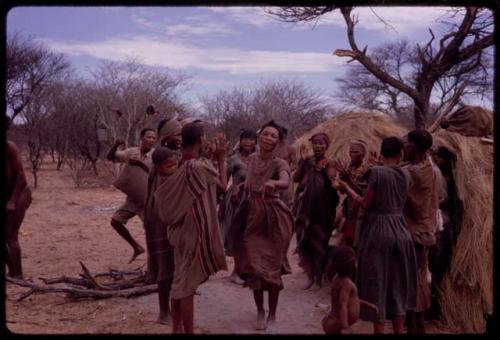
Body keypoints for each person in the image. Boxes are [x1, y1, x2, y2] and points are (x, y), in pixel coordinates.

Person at [334, 137, 417, 334]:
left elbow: (365, 203)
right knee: (398, 284)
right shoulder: (406, 174)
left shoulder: (377, 172)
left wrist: (346, 189)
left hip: (378, 231)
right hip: (402, 230)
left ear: (381, 153)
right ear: (401, 154)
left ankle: (379, 330)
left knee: (376, 283)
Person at [154, 122, 228, 334]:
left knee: (179, 281)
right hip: (193, 232)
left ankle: (176, 328)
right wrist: (221, 158)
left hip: (178, 232)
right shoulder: (198, 167)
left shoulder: (179, 165)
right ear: (201, 140)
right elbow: (223, 187)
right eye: (205, 137)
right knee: (186, 286)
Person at [231, 120, 294, 331]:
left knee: (272, 267)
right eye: (265, 134)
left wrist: (274, 183)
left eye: (273, 136)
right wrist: (240, 188)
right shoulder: (252, 158)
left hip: (273, 216)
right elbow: (249, 181)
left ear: (278, 141)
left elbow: (286, 181)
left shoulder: (280, 164)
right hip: (251, 215)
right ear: (260, 137)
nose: (268, 138)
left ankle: (273, 314)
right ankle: (260, 311)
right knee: (254, 266)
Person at [402, 129, 440, 334]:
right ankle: (414, 324)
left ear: (414, 146)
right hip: (424, 230)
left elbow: (409, 202)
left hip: (414, 233)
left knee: (413, 279)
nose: (404, 147)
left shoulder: (414, 173)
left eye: (406, 143)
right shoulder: (429, 167)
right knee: (417, 277)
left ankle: (417, 327)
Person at [293, 132, 339, 290]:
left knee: (319, 243)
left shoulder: (329, 162)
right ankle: (310, 276)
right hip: (305, 208)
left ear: (327, 146)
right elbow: (296, 179)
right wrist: (302, 162)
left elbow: (332, 180)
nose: (318, 146)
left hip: (322, 209)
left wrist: (324, 171)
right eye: (316, 143)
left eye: (321, 143)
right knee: (305, 242)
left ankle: (319, 278)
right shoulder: (307, 161)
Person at [106, 128, 157, 263]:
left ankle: (154, 264)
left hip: (148, 200)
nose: (151, 140)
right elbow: (111, 157)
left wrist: (141, 164)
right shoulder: (131, 152)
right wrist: (116, 145)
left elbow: (158, 175)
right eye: (148, 137)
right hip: (133, 199)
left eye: (153, 138)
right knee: (116, 221)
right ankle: (137, 247)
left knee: (151, 231)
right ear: (141, 138)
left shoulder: (155, 155)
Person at [143, 147, 180, 324]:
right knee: (165, 271)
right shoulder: (162, 181)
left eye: (175, 164)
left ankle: (169, 310)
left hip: (166, 228)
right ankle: (164, 312)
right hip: (161, 228)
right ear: (157, 166)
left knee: (171, 271)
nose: (173, 167)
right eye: (168, 165)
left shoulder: (165, 176)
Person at [219, 128, 257, 285]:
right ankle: (235, 271)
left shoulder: (259, 159)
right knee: (237, 235)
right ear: (240, 141)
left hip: (254, 200)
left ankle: (246, 269)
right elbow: (222, 181)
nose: (248, 142)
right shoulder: (233, 159)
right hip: (235, 201)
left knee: (251, 235)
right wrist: (221, 201)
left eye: (251, 139)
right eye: (245, 139)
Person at [322, 246, 378, 334]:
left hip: (332, 321)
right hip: (338, 323)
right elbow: (343, 305)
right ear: (352, 266)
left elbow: (351, 300)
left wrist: (368, 305)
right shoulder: (347, 284)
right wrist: (345, 327)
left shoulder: (337, 279)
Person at [6, 139, 32, 278]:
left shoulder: (10, 147)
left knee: (10, 235)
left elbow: (21, 175)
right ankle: (12, 271)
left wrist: (12, 200)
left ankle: (19, 275)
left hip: (20, 192)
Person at [337, 140, 370, 248]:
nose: (352, 155)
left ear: (363, 154)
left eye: (355, 152)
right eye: (350, 152)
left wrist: (348, 180)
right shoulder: (349, 167)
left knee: (359, 239)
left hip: (361, 210)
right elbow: (343, 190)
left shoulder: (368, 170)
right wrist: (341, 182)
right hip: (349, 208)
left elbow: (362, 192)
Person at [273, 125, 297, 206]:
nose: (280, 135)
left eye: (281, 134)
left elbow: (295, 164)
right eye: (278, 133)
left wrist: (285, 171)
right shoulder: (272, 147)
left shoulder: (290, 148)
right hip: (273, 177)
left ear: (285, 135)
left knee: (285, 203)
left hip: (286, 178)